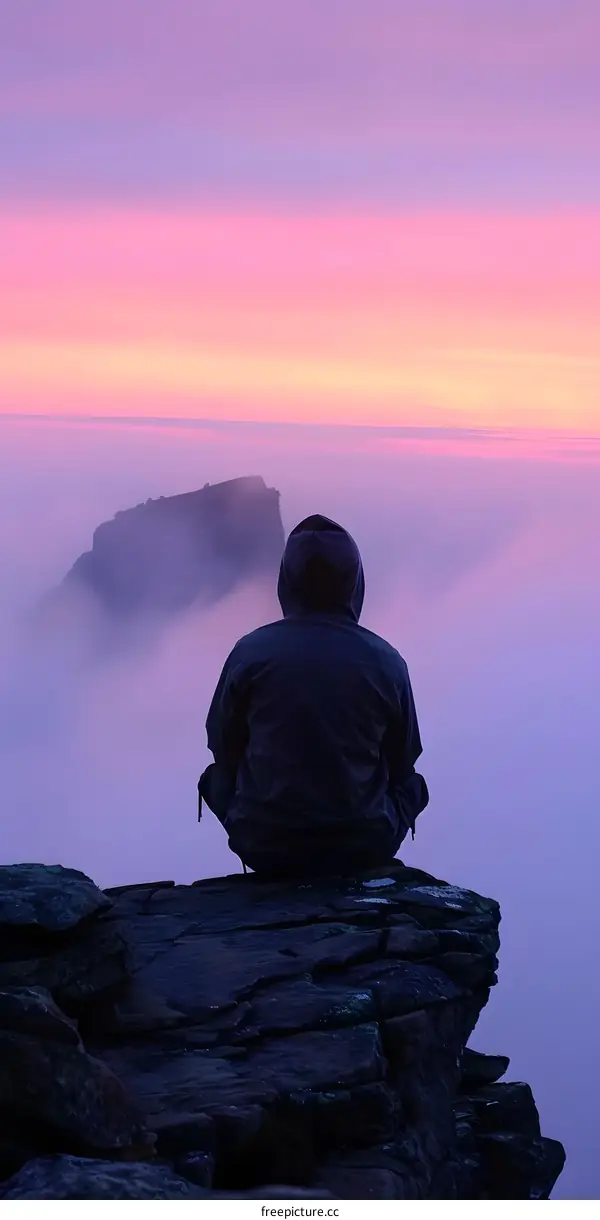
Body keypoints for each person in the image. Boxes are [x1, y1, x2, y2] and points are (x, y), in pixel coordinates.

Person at [198, 514, 429, 878]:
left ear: (286, 582)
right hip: (364, 845)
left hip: (264, 845)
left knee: (215, 778)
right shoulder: (387, 661)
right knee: (414, 786)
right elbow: (404, 760)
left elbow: (222, 747)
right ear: (354, 582)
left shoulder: (249, 653)